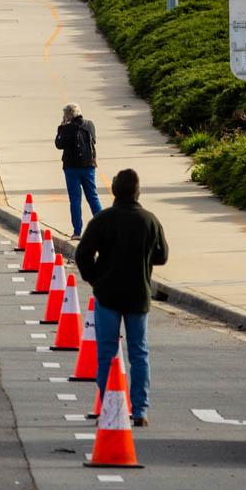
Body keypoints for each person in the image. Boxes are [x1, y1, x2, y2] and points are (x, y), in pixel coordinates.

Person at [75, 169, 168, 427]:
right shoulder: (149, 221)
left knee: (106, 352)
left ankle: (110, 406)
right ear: (137, 192)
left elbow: (83, 254)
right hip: (138, 294)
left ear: (115, 191)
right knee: (139, 352)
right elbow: (162, 255)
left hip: (107, 294)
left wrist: (94, 278)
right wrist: (144, 259)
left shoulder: (103, 220)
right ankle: (140, 410)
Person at [55, 103, 103, 239]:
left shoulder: (66, 128)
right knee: (93, 197)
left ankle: (77, 231)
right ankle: (102, 227)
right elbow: (93, 140)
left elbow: (58, 144)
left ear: (67, 116)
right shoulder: (89, 124)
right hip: (89, 166)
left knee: (75, 200)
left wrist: (61, 128)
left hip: (71, 168)